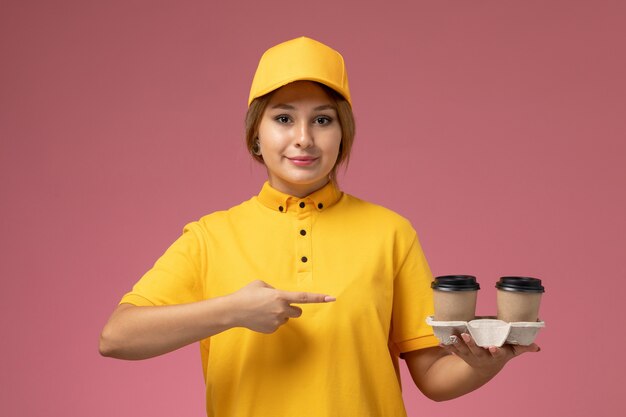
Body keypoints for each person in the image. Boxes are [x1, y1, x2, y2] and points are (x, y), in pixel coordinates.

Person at [99, 36, 539, 417]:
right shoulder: (211, 237)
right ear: (256, 133)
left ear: (342, 134)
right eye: (284, 118)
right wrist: (233, 311)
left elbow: (433, 378)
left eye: (323, 120)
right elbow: (117, 336)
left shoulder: (390, 233)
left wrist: (486, 362)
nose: (304, 138)